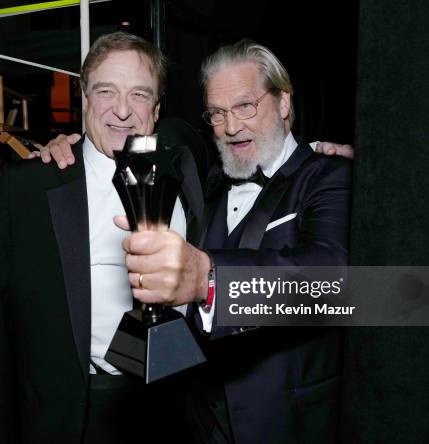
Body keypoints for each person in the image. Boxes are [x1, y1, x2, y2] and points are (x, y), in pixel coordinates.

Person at [0, 31, 206, 444]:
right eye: (106, 91)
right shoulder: (30, 188)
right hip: (73, 415)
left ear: (157, 107)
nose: (122, 111)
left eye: (139, 95)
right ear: (84, 98)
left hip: (170, 406)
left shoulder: (183, 169)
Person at [116, 40, 351, 443]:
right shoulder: (209, 185)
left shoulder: (330, 176)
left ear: (283, 104)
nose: (230, 126)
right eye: (217, 114)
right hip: (201, 419)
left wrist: (208, 279)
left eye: (245, 106)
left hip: (284, 422)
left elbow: (331, 276)